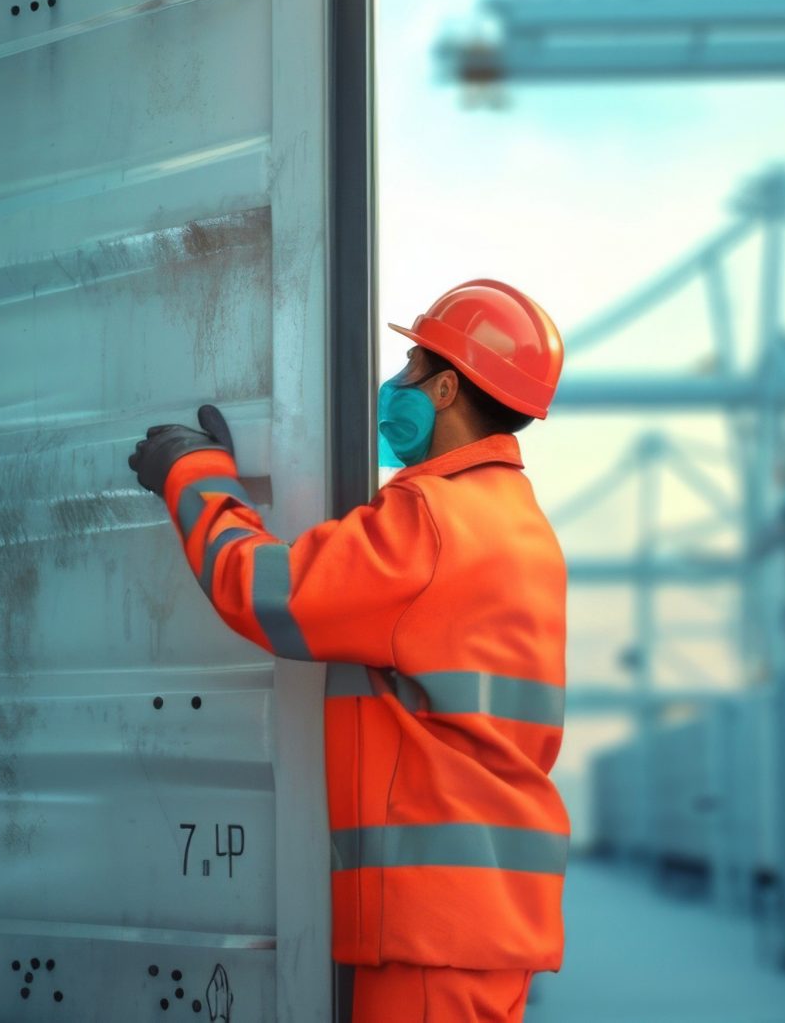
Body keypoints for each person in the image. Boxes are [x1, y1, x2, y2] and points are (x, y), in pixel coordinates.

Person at [127, 280, 570, 1023]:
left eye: (411, 367)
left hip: (436, 924)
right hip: (489, 914)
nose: (396, 385)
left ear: (449, 385)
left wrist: (194, 477)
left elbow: (266, 592)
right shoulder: (524, 528)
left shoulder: (433, 521)